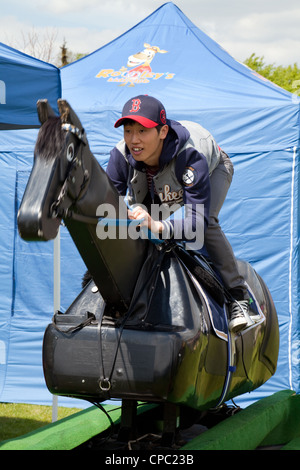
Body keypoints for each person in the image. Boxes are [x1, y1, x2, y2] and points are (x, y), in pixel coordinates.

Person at [106, 94, 252, 333]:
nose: (134, 140)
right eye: (128, 131)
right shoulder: (120, 157)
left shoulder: (190, 156)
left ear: (162, 131)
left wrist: (160, 226)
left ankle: (239, 298)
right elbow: (109, 212)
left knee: (208, 224)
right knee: (135, 224)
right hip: (156, 179)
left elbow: (196, 223)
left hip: (214, 167)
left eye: (143, 131)